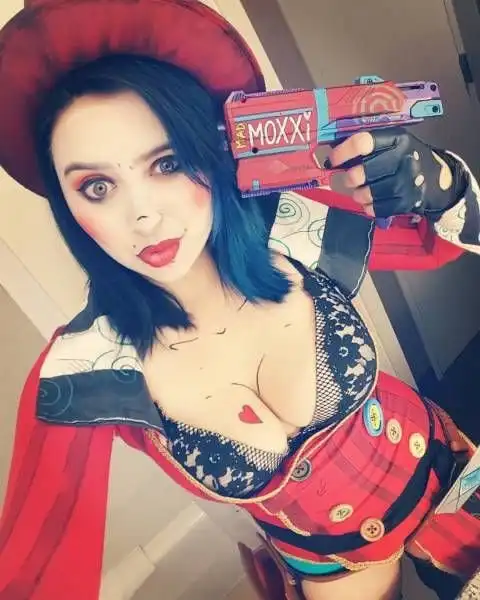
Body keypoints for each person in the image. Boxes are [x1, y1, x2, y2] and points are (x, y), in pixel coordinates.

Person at [0, 1, 479, 599]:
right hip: (331, 566)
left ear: (209, 152)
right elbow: (36, 571)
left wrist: (434, 180)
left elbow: (446, 241)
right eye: (97, 186)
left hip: (448, 480)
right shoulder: (82, 372)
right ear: (66, 205)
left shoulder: (291, 227)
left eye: (168, 163)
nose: (144, 215)